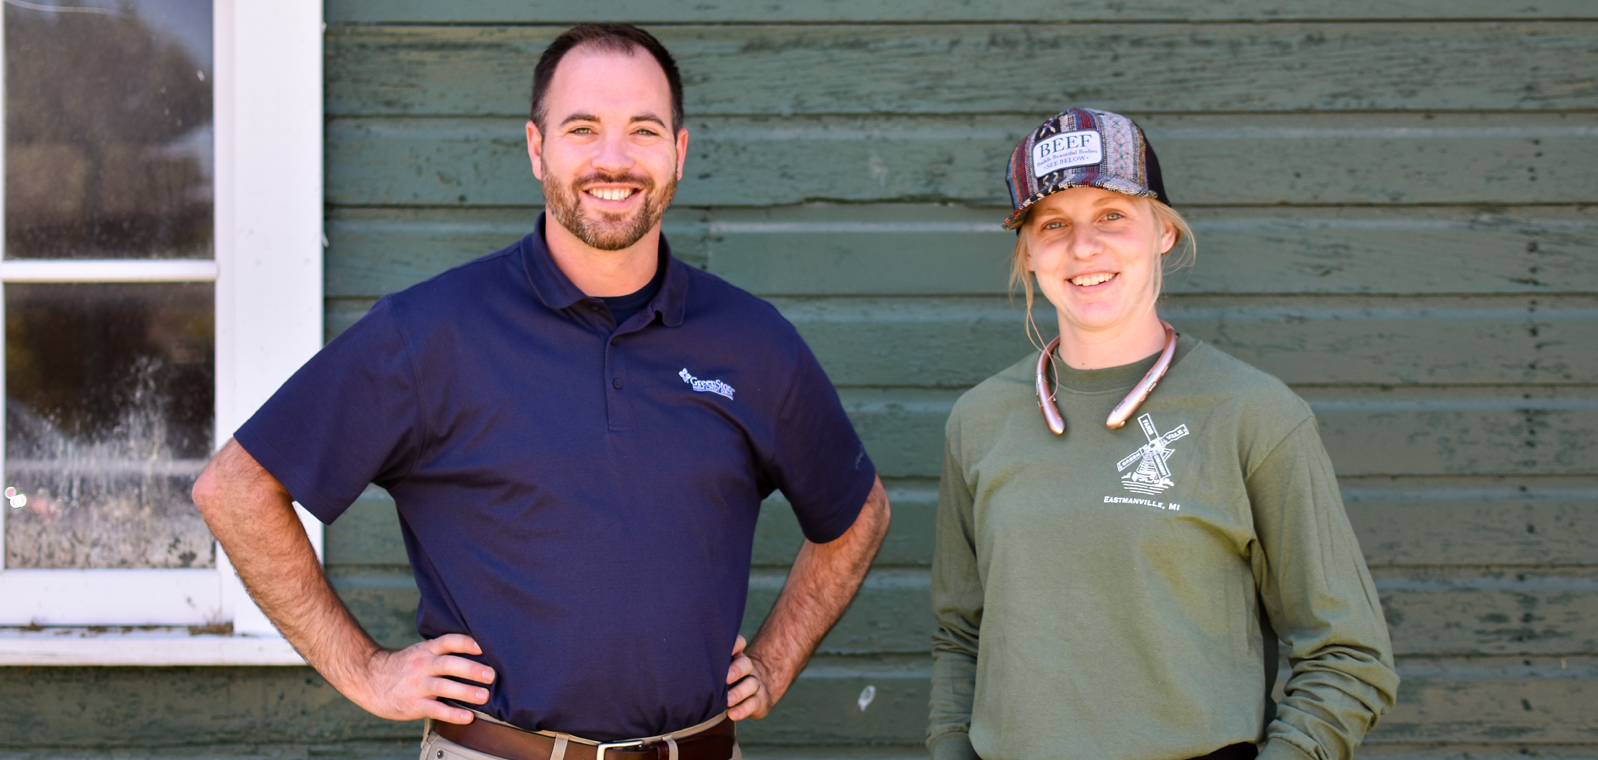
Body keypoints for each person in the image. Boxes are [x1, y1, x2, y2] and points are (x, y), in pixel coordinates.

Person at [192, 23, 890, 760]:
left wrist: (776, 659)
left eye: (643, 131)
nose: (612, 159)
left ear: (679, 154)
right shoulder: (432, 333)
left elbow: (858, 515)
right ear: (536, 148)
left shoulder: (752, 342)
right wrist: (365, 670)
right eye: (581, 129)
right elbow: (236, 490)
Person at [926, 108, 1397, 760]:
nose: (1084, 246)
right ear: (1028, 252)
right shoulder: (980, 421)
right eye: (1054, 224)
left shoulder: (1253, 414)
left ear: (1164, 232)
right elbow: (961, 636)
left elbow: (1350, 656)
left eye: (1113, 214)